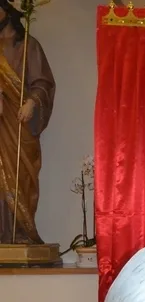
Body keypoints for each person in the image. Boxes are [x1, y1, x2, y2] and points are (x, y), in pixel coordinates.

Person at [0, 0, 55, 244]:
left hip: (20, 125)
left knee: (22, 177)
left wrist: (32, 102)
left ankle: (21, 233)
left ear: (8, 11)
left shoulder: (28, 45)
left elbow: (43, 82)